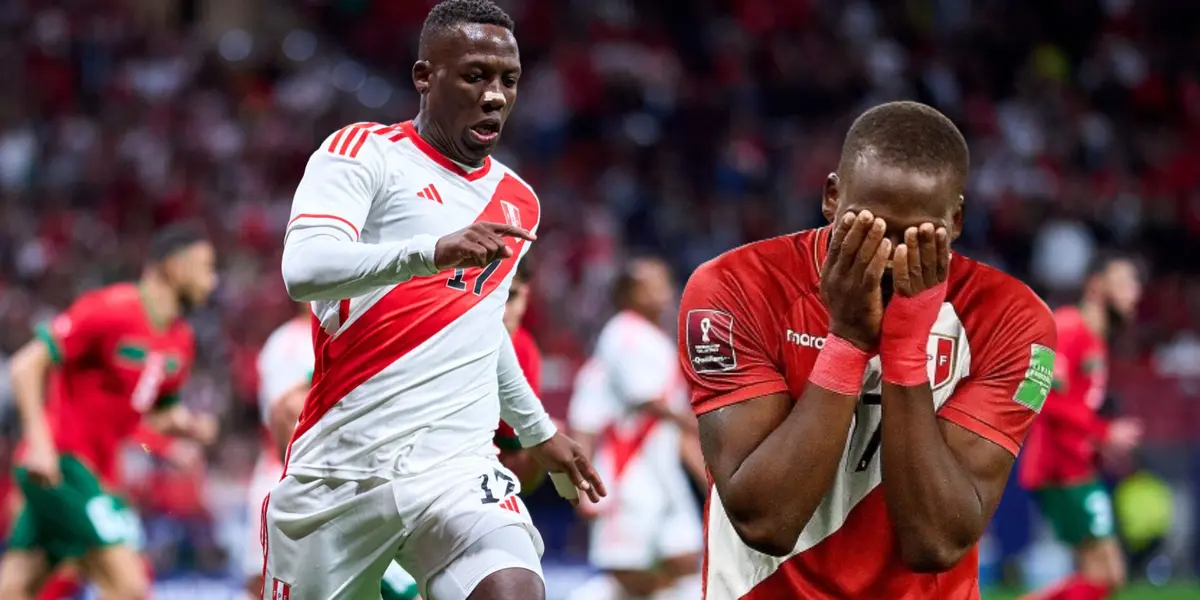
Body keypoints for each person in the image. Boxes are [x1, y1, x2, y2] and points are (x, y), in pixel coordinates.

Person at [263, 1, 605, 599]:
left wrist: (536, 430)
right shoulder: (363, 153)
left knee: (513, 589)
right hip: (343, 470)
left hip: (457, 469)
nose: (495, 96)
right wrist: (430, 252)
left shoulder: (518, 200)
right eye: (475, 75)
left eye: (509, 80)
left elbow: (482, 324)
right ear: (425, 77)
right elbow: (304, 269)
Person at [676, 101, 1058, 599]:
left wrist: (902, 351)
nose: (886, 256)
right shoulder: (733, 289)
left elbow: (936, 544)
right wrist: (849, 341)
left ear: (957, 219)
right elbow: (765, 521)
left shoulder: (1012, 320)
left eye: (917, 237)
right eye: (866, 228)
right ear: (832, 197)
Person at [0, 223, 220, 600]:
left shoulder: (180, 342)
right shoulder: (111, 309)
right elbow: (25, 366)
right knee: (130, 588)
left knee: (16, 588)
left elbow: (157, 414)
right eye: (205, 267)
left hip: (97, 474)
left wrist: (192, 428)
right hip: (63, 466)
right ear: (174, 266)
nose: (212, 281)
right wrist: (39, 444)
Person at [245, 303, 421, 600]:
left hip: (341, 477)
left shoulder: (349, 331)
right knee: (272, 582)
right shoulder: (288, 342)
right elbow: (287, 417)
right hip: (291, 474)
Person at [568, 257, 703, 600]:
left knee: (687, 561)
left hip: (662, 473)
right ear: (628, 294)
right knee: (630, 571)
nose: (665, 291)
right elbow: (647, 401)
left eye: (664, 282)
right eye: (652, 284)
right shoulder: (623, 333)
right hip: (630, 475)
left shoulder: (655, 341)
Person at [1018, 253, 1144, 600]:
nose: (1134, 293)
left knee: (1103, 576)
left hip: (1075, 465)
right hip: (1060, 469)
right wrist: (1105, 432)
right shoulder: (1067, 326)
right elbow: (1039, 394)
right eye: (1125, 283)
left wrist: (1096, 442)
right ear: (1095, 286)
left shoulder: (1093, 337)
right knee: (1107, 574)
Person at [495, 261, 548, 491]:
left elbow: (520, 474)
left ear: (526, 295)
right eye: (494, 297)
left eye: (511, 296)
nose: (503, 310)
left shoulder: (524, 351)